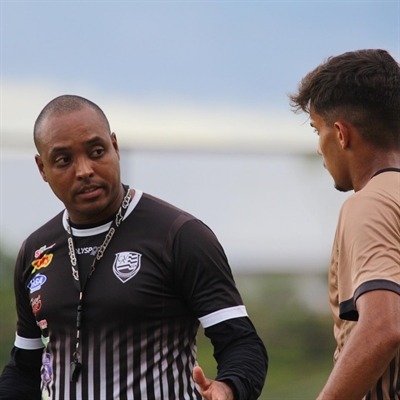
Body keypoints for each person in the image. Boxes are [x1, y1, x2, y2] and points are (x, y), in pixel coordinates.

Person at [0, 95, 268, 400]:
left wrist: (228, 388)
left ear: (115, 147)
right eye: (64, 160)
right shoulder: (36, 252)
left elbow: (241, 343)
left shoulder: (179, 235)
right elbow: (25, 368)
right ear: (42, 168)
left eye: (97, 151)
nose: (85, 170)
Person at [289, 48, 400, 400]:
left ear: (340, 133)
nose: (319, 148)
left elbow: (383, 327)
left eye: (315, 129)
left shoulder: (369, 204)